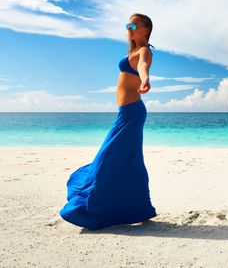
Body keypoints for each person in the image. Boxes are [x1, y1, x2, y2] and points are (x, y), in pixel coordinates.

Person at [59, 13, 157, 230]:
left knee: (109, 157)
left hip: (132, 113)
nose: (129, 29)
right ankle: (140, 208)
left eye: (134, 25)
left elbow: (143, 65)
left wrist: (145, 78)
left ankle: (94, 207)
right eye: (127, 25)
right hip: (127, 113)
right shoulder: (133, 51)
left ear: (146, 29)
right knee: (128, 159)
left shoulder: (144, 51)